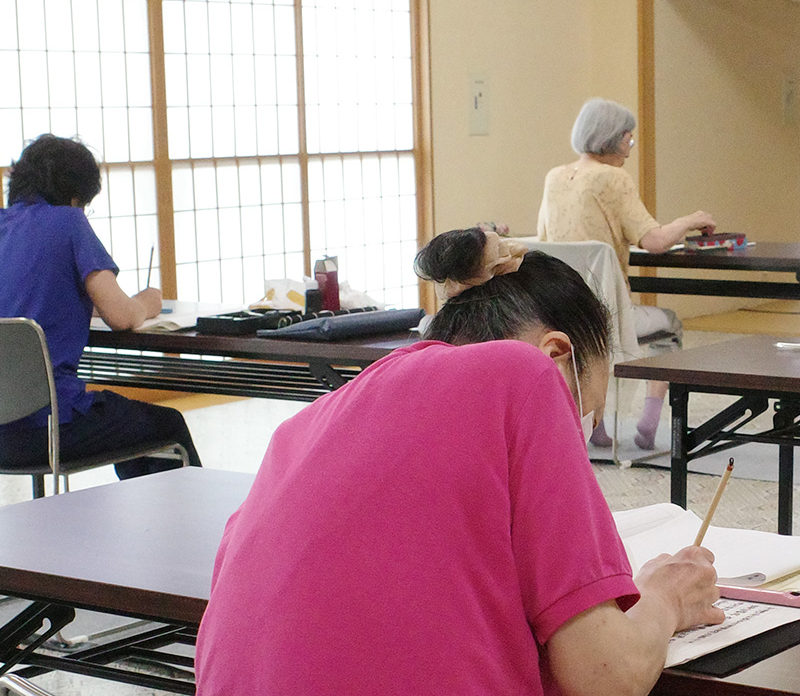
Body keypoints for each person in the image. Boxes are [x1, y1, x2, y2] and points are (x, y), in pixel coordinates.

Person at [194, 226, 724, 696]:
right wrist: (667, 597)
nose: (579, 430)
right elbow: (604, 677)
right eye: (583, 408)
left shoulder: (309, 423)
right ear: (557, 352)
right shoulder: (524, 373)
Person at [0, 134, 201, 478]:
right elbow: (121, 317)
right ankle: (187, 528)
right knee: (164, 425)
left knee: (122, 420)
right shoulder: (68, 221)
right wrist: (148, 301)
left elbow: (14, 298)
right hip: (46, 430)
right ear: (74, 197)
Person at [538, 98, 716, 450]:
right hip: (606, 312)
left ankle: (597, 424)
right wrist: (691, 220)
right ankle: (649, 423)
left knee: (586, 343)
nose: (629, 150)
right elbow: (654, 240)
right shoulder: (612, 178)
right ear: (609, 138)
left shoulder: (554, 177)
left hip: (559, 310)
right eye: (627, 140)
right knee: (669, 325)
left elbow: (545, 240)